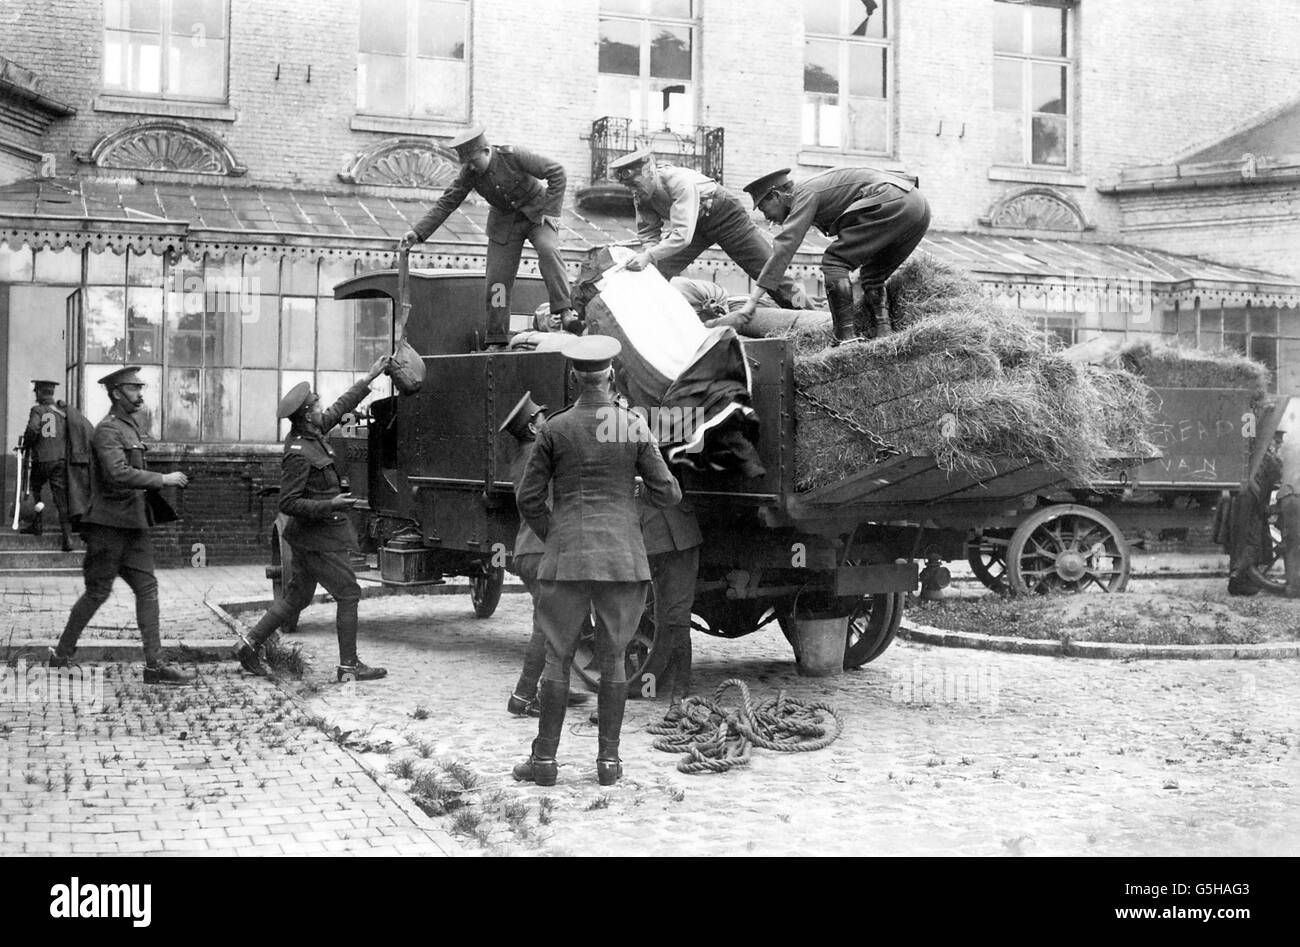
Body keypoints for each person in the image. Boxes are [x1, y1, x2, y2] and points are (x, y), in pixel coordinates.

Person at [513, 336, 682, 786]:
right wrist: (634, 502)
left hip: (566, 560)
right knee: (615, 658)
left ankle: (544, 762)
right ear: (611, 375)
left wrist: (557, 537)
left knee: (557, 656)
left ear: (574, 377)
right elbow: (669, 493)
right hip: (621, 561)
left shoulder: (554, 428)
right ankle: (609, 763)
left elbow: (527, 497)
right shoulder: (632, 426)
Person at [235, 356, 392, 682]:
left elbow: (340, 408)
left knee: (297, 597)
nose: (322, 410)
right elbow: (288, 502)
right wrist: (330, 503)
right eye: (316, 407)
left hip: (311, 538)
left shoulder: (314, 432)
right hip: (318, 538)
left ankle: (250, 644)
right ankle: (348, 665)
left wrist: (370, 377)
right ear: (306, 414)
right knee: (349, 593)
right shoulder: (298, 452)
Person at [49, 367, 194, 684]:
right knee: (97, 592)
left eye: (140, 388)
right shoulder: (107, 431)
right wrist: (162, 479)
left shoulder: (131, 427)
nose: (140, 394)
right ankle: (60, 655)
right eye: (133, 388)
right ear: (116, 392)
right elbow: (117, 473)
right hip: (108, 527)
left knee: (148, 588)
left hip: (133, 524)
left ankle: (155, 666)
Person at [398, 127, 578, 347]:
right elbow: (448, 202)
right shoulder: (470, 173)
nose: (471, 167)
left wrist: (551, 212)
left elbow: (557, 172)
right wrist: (417, 232)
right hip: (504, 225)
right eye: (467, 163)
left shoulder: (513, 156)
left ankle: (564, 311)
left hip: (537, 216)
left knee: (548, 250)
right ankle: (497, 337)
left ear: (486, 150)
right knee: (497, 282)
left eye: (473, 161)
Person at [731, 166, 931, 345]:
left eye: (765, 209)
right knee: (872, 275)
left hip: (892, 200)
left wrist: (752, 301)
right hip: (918, 206)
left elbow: (785, 246)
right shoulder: (813, 190)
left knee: (834, 262)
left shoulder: (803, 193)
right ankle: (885, 335)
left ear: (776, 195)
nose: (767, 218)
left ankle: (846, 339)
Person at [609, 148, 807, 311]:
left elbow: (681, 237)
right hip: (694, 226)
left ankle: (812, 318)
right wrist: (649, 255)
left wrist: (650, 255)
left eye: (635, 184)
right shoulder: (641, 196)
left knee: (769, 271)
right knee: (654, 271)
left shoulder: (677, 181)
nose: (633, 191)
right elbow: (648, 233)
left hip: (724, 215)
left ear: (649, 173)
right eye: (629, 187)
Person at [499, 390, 589, 716]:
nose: (545, 420)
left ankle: (551, 687)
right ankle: (524, 697)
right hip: (540, 551)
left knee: (556, 622)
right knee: (548, 625)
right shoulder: (533, 456)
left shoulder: (526, 454)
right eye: (540, 417)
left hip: (531, 551)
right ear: (534, 429)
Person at [641, 496, 702, 718]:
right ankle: (610, 699)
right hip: (634, 530)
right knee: (618, 612)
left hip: (678, 534)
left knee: (677, 618)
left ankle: (679, 697)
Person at [20, 379, 75, 550]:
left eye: (37, 392)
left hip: (42, 459)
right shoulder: (63, 412)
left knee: (36, 490)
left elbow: (33, 429)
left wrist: (27, 444)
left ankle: (37, 525)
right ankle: (67, 538)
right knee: (61, 499)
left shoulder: (37, 410)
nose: (35, 395)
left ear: (40, 393)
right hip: (60, 460)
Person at [1274, 425, 1300, 597]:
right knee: (1293, 545)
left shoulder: (1284, 452)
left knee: (1291, 543)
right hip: (1296, 496)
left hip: (1288, 496)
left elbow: (1276, 471)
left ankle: (1292, 584)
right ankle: (1293, 586)